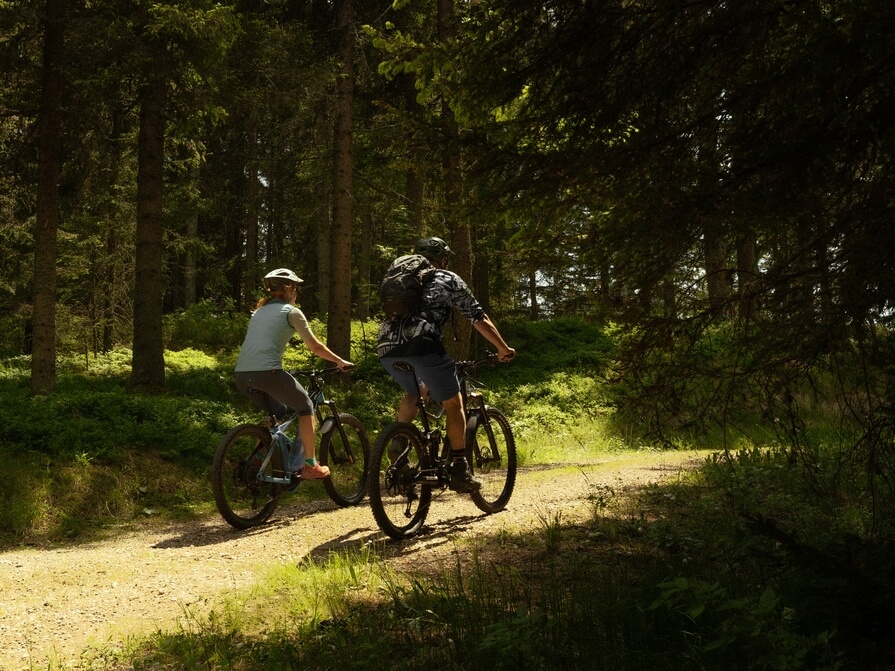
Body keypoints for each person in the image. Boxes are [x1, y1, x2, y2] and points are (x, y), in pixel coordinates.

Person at [378, 237, 515, 492]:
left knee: (416, 391)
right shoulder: (447, 278)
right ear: (441, 259)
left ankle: (399, 440)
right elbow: (477, 316)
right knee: (454, 403)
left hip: (387, 347)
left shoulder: (400, 277)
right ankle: (460, 469)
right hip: (422, 344)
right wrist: (502, 348)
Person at [235, 268, 354, 480]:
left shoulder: (258, 312)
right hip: (267, 372)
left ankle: (257, 458)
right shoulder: (291, 312)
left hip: (242, 375)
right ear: (288, 288)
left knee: (277, 411)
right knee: (306, 406)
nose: (297, 292)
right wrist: (339, 361)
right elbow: (315, 346)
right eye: (296, 287)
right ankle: (310, 465)